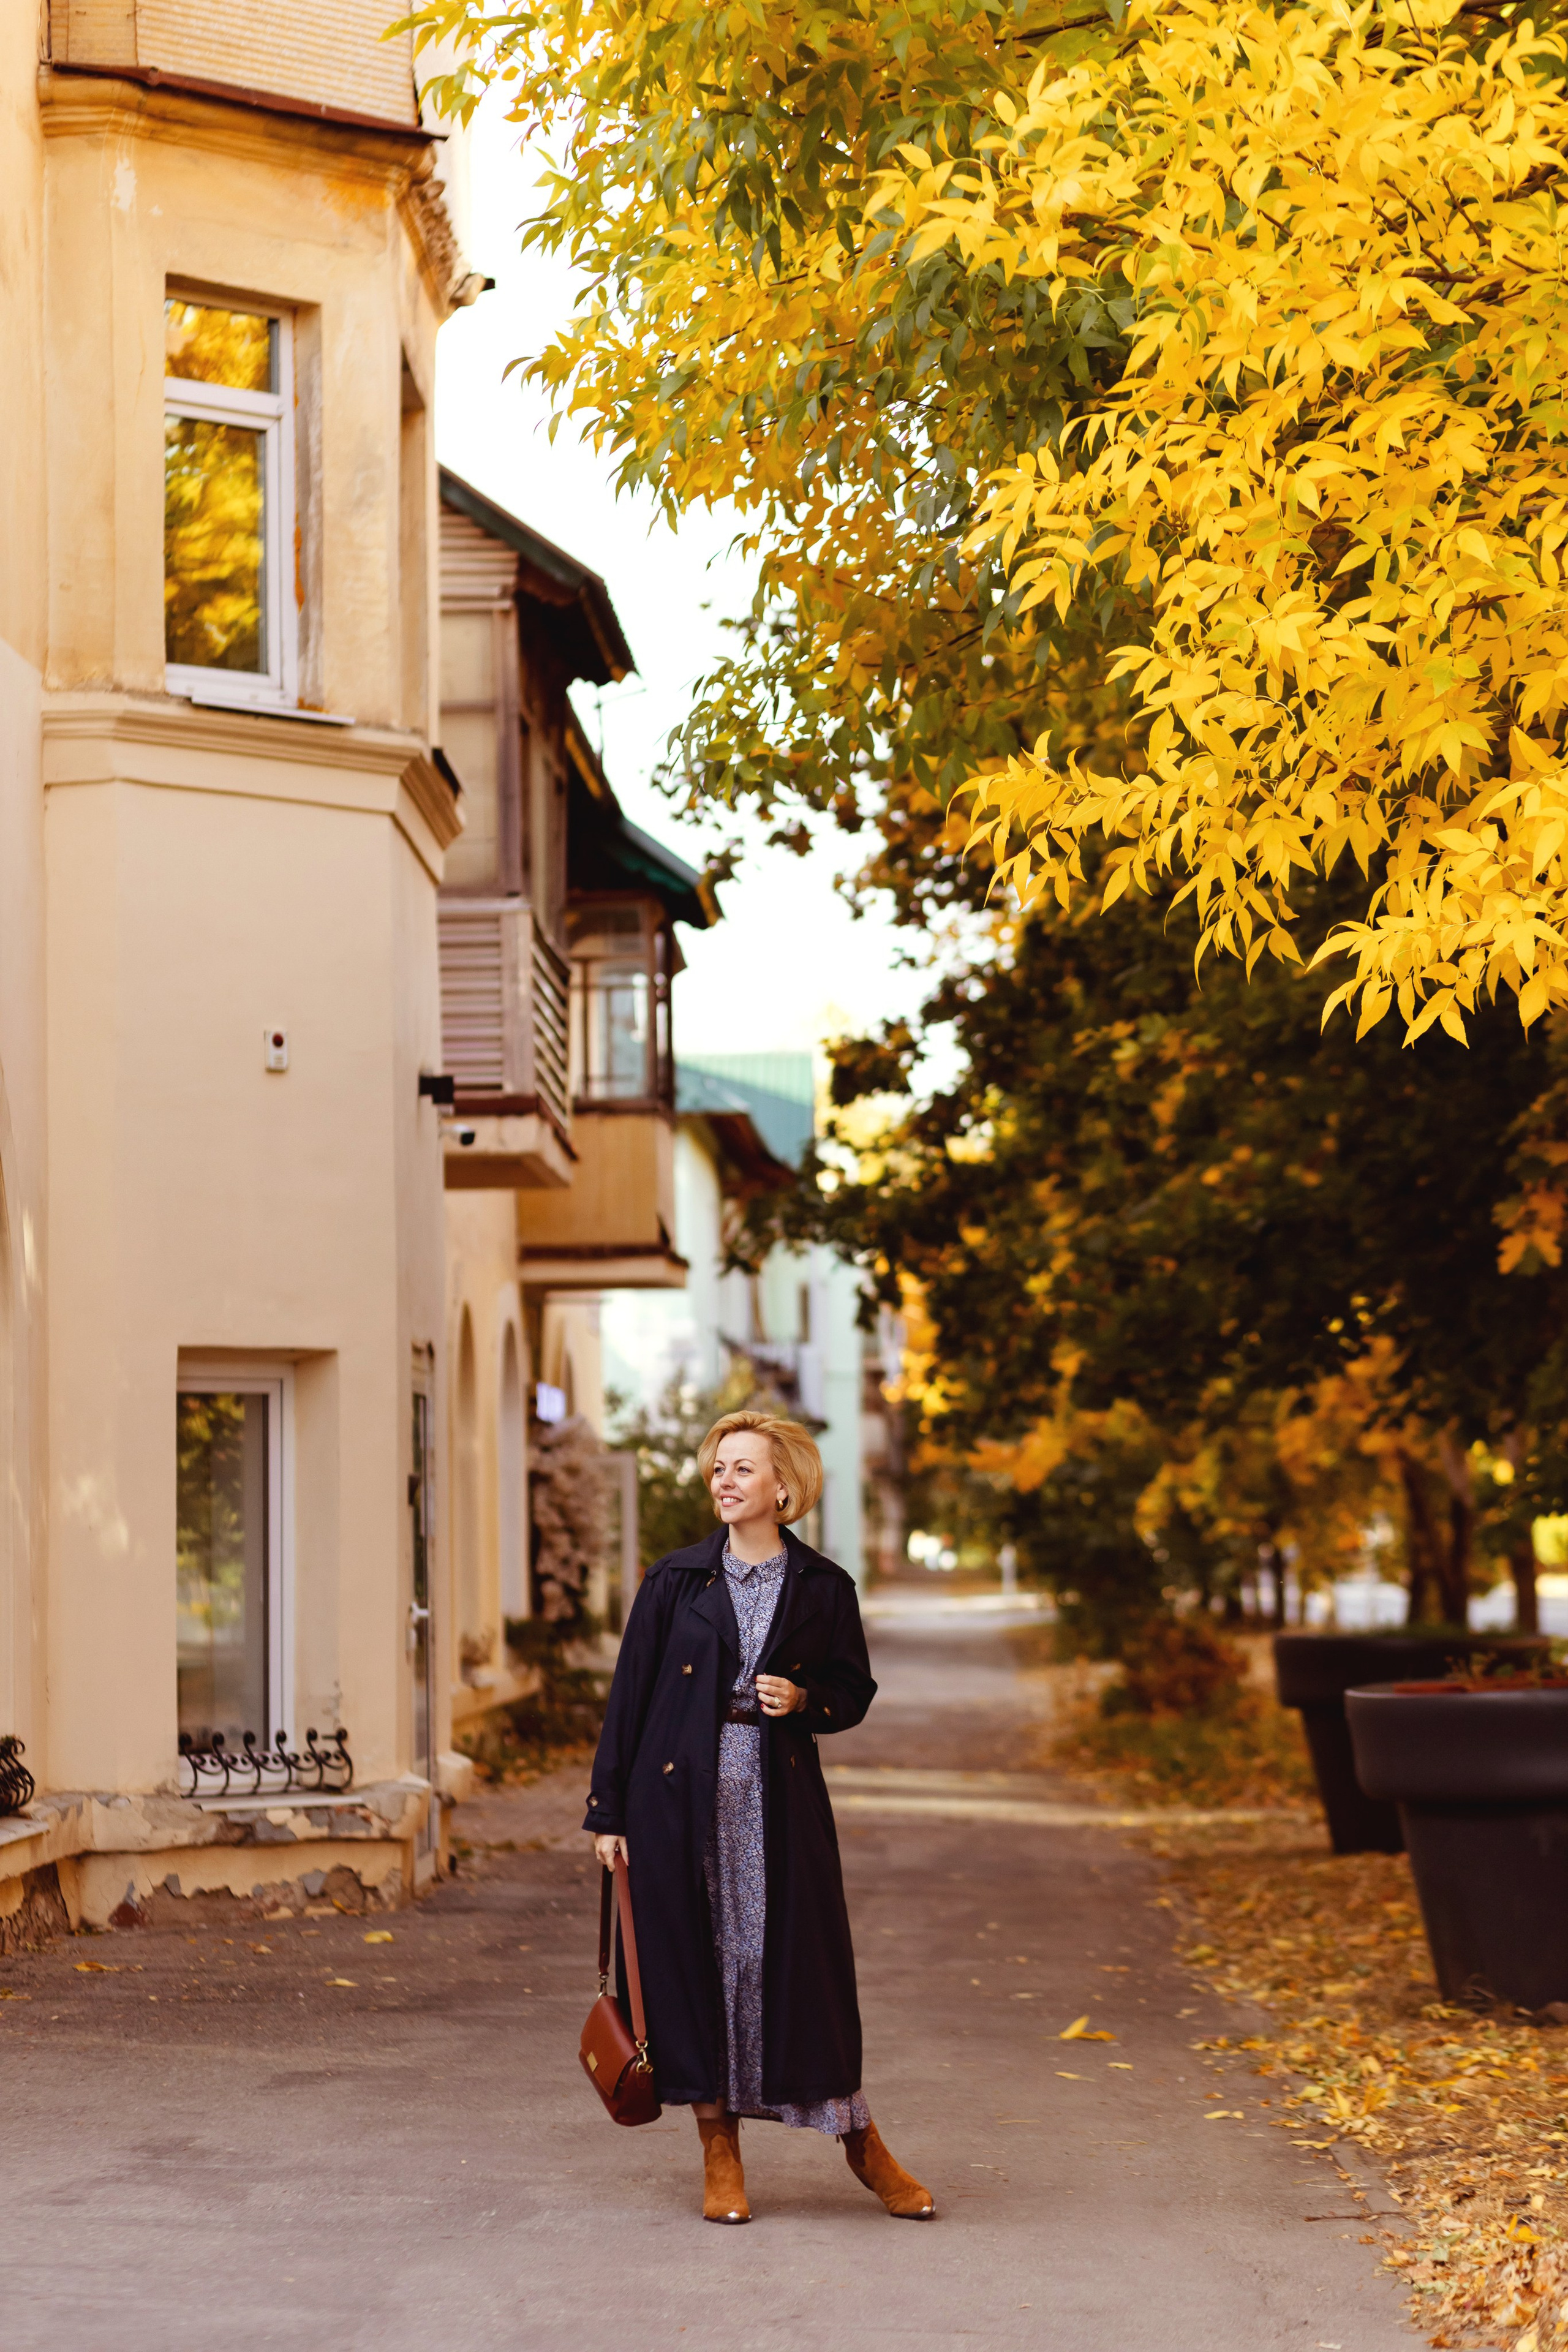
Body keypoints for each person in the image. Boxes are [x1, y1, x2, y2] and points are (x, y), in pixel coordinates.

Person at [584, 1408, 935, 2224]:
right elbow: (628, 1701)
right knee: (697, 1967)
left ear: (783, 1487)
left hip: (777, 1801)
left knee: (800, 1974)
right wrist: (609, 1812)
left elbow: (854, 1693)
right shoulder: (676, 1581)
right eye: (718, 1468)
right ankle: (719, 2151)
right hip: (678, 1804)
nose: (726, 1481)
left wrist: (805, 1699)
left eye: (744, 1468)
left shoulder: (823, 1588)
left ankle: (861, 2141)